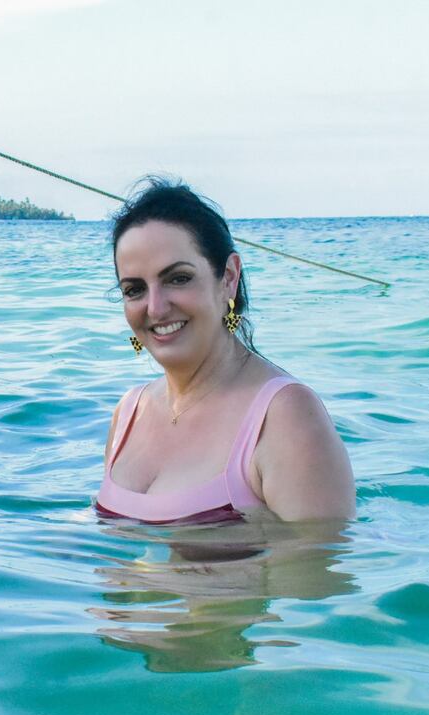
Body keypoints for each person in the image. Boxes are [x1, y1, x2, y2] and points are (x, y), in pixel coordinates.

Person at [98, 179, 354, 523]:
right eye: (135, 289)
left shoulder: (286, 418)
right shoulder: (128, 413)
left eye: (178, 279)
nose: (155, 308)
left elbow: (314, 574)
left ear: (229, 278)